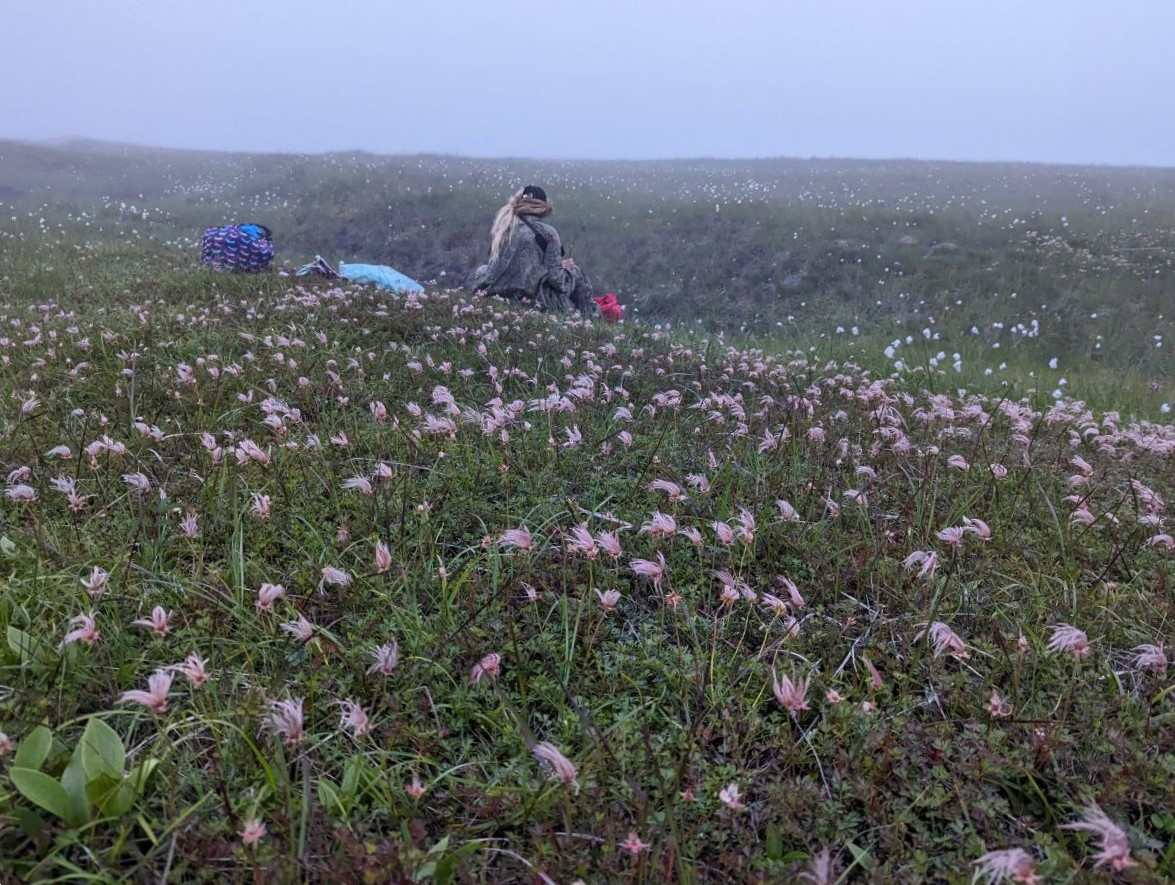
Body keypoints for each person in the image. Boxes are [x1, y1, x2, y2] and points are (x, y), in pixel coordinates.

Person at [472, 186, 597, 314]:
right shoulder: (548, 233)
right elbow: (557, 280)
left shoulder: (503, 228)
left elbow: (493, 269)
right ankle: (589, 319)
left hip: (497, 294)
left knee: (481, 269)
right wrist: (568, 270)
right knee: (577, 273)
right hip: (533, 299)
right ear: (544, 207)